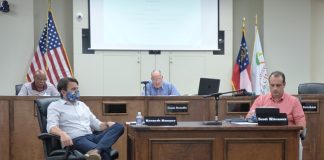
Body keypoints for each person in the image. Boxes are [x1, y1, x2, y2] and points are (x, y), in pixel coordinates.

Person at [47, 77, 124, 160]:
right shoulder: (55, 106)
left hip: (92, 137)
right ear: (63, 92)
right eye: (73, 89)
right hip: (75, 140)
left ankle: (96, 151)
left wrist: (107, 124)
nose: (76, 91)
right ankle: (98, 151)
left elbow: (97, 125)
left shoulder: (82, 105)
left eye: (77, 89)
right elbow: (51, 126)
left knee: (119, 126)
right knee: (105, 154)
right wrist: (62, 134)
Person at [246, 71, 306, 160]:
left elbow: (301, 124)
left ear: (284, 84)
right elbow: (248, 118)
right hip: (263, 138)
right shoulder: (261, 100)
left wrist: (294, 132)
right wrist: (254, 118)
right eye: (272, 85)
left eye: (278, 85)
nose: (275, 88)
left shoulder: (294, 101)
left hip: (288, 139)